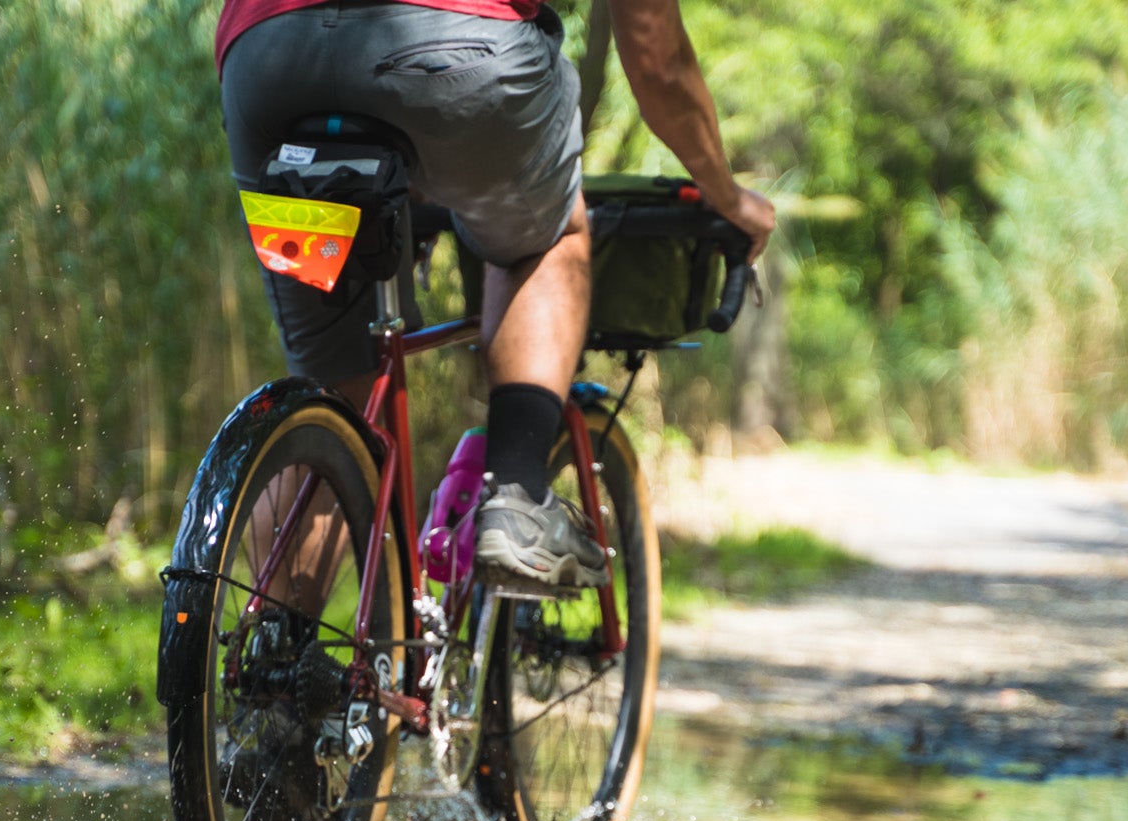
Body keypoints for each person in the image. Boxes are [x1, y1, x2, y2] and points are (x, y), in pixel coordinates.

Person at [216, 0, 775, 587]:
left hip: (266, 61)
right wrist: (727, 195)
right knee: (549, 235)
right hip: (456, 50)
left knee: (334, 409)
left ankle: (272, 664)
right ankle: (517, 495)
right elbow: (655, 50)